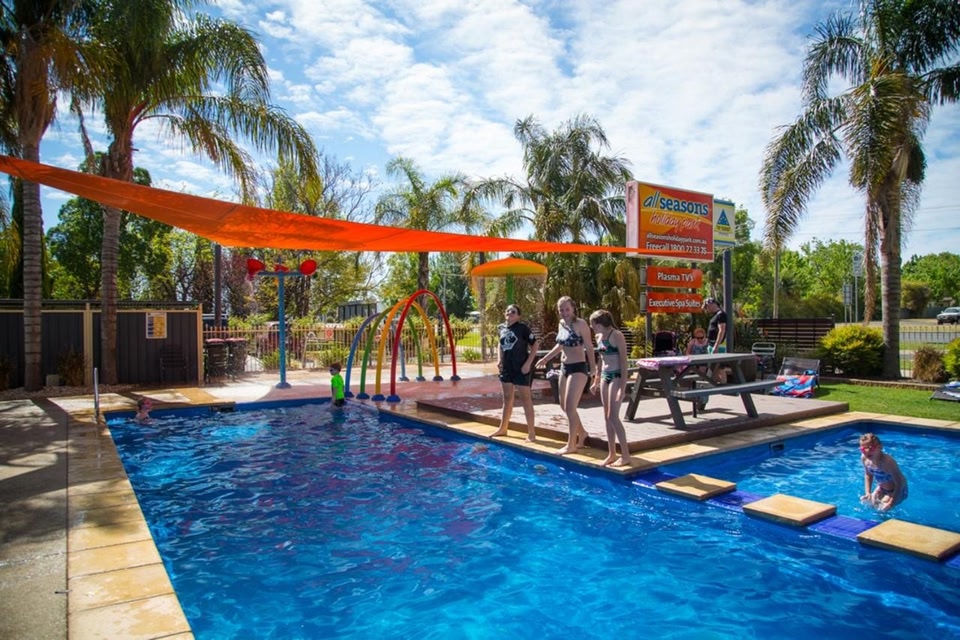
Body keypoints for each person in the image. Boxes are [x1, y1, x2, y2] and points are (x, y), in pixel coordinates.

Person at [536, 296, 595, 455]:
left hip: (578, 367)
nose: (564, 313)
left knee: (570, 407)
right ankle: (582, 433)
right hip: (564, 367)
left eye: (567, 309)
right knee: (564, 406)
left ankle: (571, 445)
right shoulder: (561, 323)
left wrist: (593, 370)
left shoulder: (581, 324)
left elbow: (589, 347)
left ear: (573, 308)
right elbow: (560, 345)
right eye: (561, 310)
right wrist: (546, 358)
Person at [589, 310, 631, 467]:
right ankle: (611, 453)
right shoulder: (598, 337)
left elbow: (624, 362)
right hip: (605, 376)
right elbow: (601, 359)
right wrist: (596, 380)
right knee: (606, 417)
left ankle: (625, 455)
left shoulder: (617, 335)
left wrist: (622, 388)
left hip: (616, 376)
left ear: (599, 324)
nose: (591, 327)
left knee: (613, 416)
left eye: (592, 325)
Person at [491, 304, 539, 442]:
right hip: (507, 368)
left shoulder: (522, 328)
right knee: (507, 398)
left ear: (518, 316)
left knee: (526, 399)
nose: (510, 313)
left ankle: (531, 433)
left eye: (513, 312)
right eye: (508, 311)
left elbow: (535, 344)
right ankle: (503, 428)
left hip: (521, 368)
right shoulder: (501, 328)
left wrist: (528, 363)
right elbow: (500, 344)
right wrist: (499, 359)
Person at [859, 433, 908, 511]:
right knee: (870, 504)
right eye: (863, 449)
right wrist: (868, 493)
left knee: (882, 510)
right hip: (882, 487)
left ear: (880, 447)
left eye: (870, 448)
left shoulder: (888, 462)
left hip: (898, 489)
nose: (867, 451)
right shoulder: (864, 458)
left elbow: (899, 484)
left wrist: (891, 503)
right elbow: (868, 475)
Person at [703, 297, 728, 383]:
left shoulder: (721, 314)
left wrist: (716, 346)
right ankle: (716, 385)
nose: (706, 309)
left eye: (706, 307)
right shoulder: (715, 315)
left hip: (718, 345)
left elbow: (722, 330)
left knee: (720, 367)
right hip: (711, 344)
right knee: (714, 368)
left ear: (711, 304)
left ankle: (724, 386)